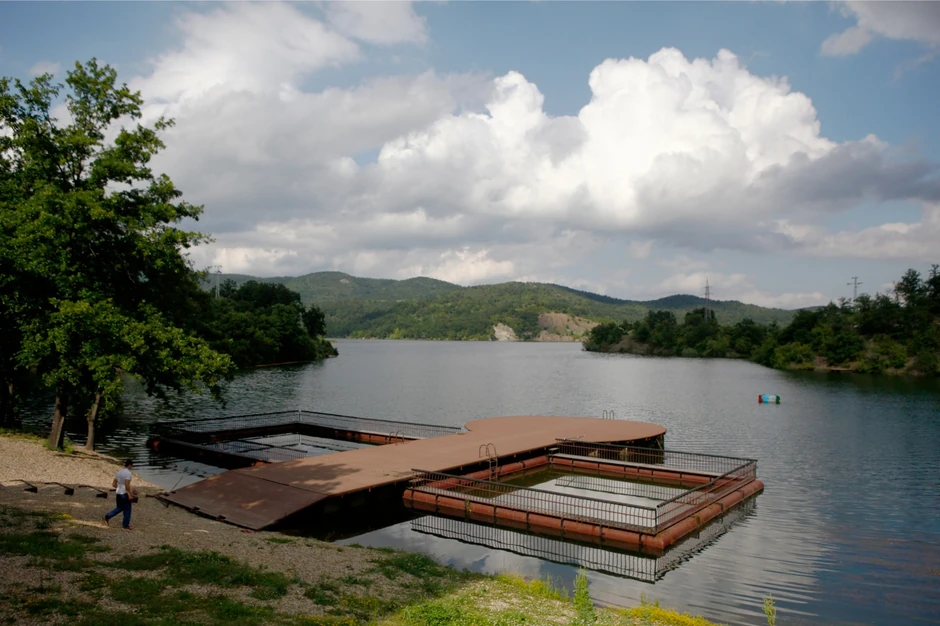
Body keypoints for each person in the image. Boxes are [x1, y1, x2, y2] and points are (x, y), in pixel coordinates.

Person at [104, 459, 136, 530]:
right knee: (127, 510)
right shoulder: (128, 473)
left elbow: (114, 484)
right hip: (124, 493)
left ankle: (107, 516)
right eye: (132, 465)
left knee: (120, 508)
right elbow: (127, 484)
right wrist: (129, 494)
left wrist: (119, 487)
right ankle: (125, 525)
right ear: (130, 465)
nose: (132, 466)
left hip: (118, 492)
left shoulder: (119, 472)